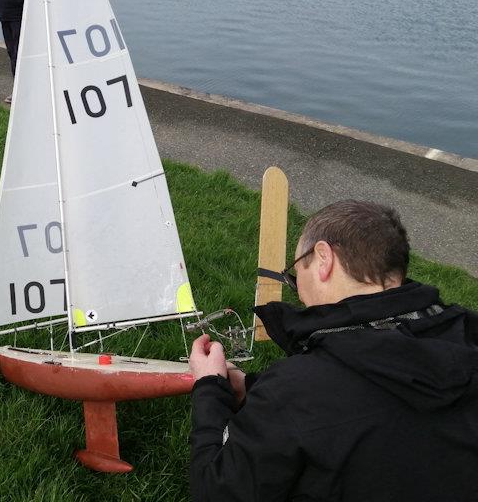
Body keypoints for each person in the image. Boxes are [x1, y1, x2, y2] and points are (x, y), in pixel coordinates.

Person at [189, 200, 478, 502]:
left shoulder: (294, 391)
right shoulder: (466, 332)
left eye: (295, 273)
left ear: (323, 259)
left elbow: (216, 491)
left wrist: (209, 388)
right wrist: (252, 387)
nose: (298, 291)